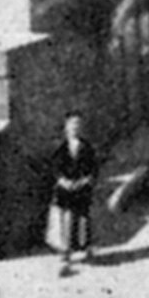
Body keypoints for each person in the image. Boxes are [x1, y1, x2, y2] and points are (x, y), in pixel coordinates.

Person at [47, 111, 100, 276]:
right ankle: (66, 252)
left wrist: (86, 180)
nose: (75, 128)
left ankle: (87, 248)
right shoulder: (60, 148)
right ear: (66, 128)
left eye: (78, 125)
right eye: (72, 125)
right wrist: (62, 180)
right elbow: (54, 168)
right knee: (66, 220)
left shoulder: (87, 147)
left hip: (82, 188)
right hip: (65, 189)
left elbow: (94, 168)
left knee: (84, 219)